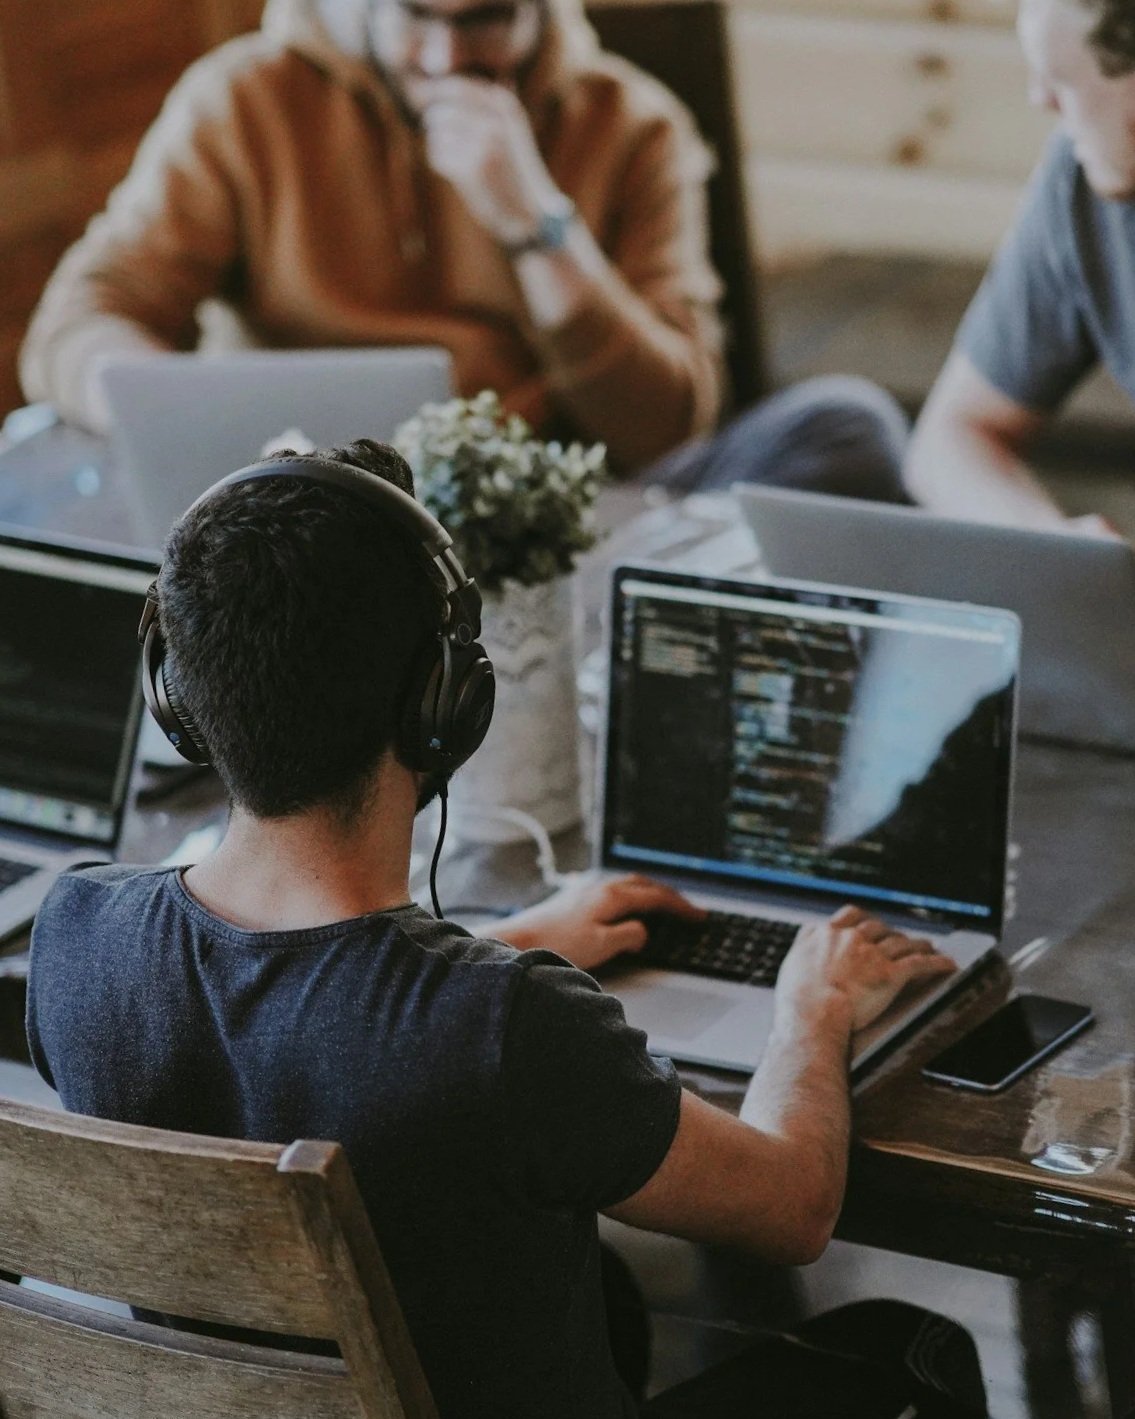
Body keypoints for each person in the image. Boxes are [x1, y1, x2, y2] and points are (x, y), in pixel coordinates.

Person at [26, 438, 987, 1417]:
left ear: (177, 693)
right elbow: (793, 1207)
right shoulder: (509, 1027)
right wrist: (811, 1012)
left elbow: (295, 1021)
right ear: (443, 706)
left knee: (606, 1295)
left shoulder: (74, 937)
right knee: (909, 1350)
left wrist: (502, 943)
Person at [18, 0, 908, 502]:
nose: (446, 56)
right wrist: (172, 418)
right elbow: (76, 325)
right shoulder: (244, 100)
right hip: (304, 511)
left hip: (550, 519)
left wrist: (535, 222)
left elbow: (669, 425)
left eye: (485, 18)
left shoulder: (633, 126)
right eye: (416, 15)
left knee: (847, 428)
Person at [905, 0, 1135, 533]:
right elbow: (950, 440)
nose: (1041, 100)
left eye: (1061, 80)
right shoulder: (1080, 186)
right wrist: (1055, 545)